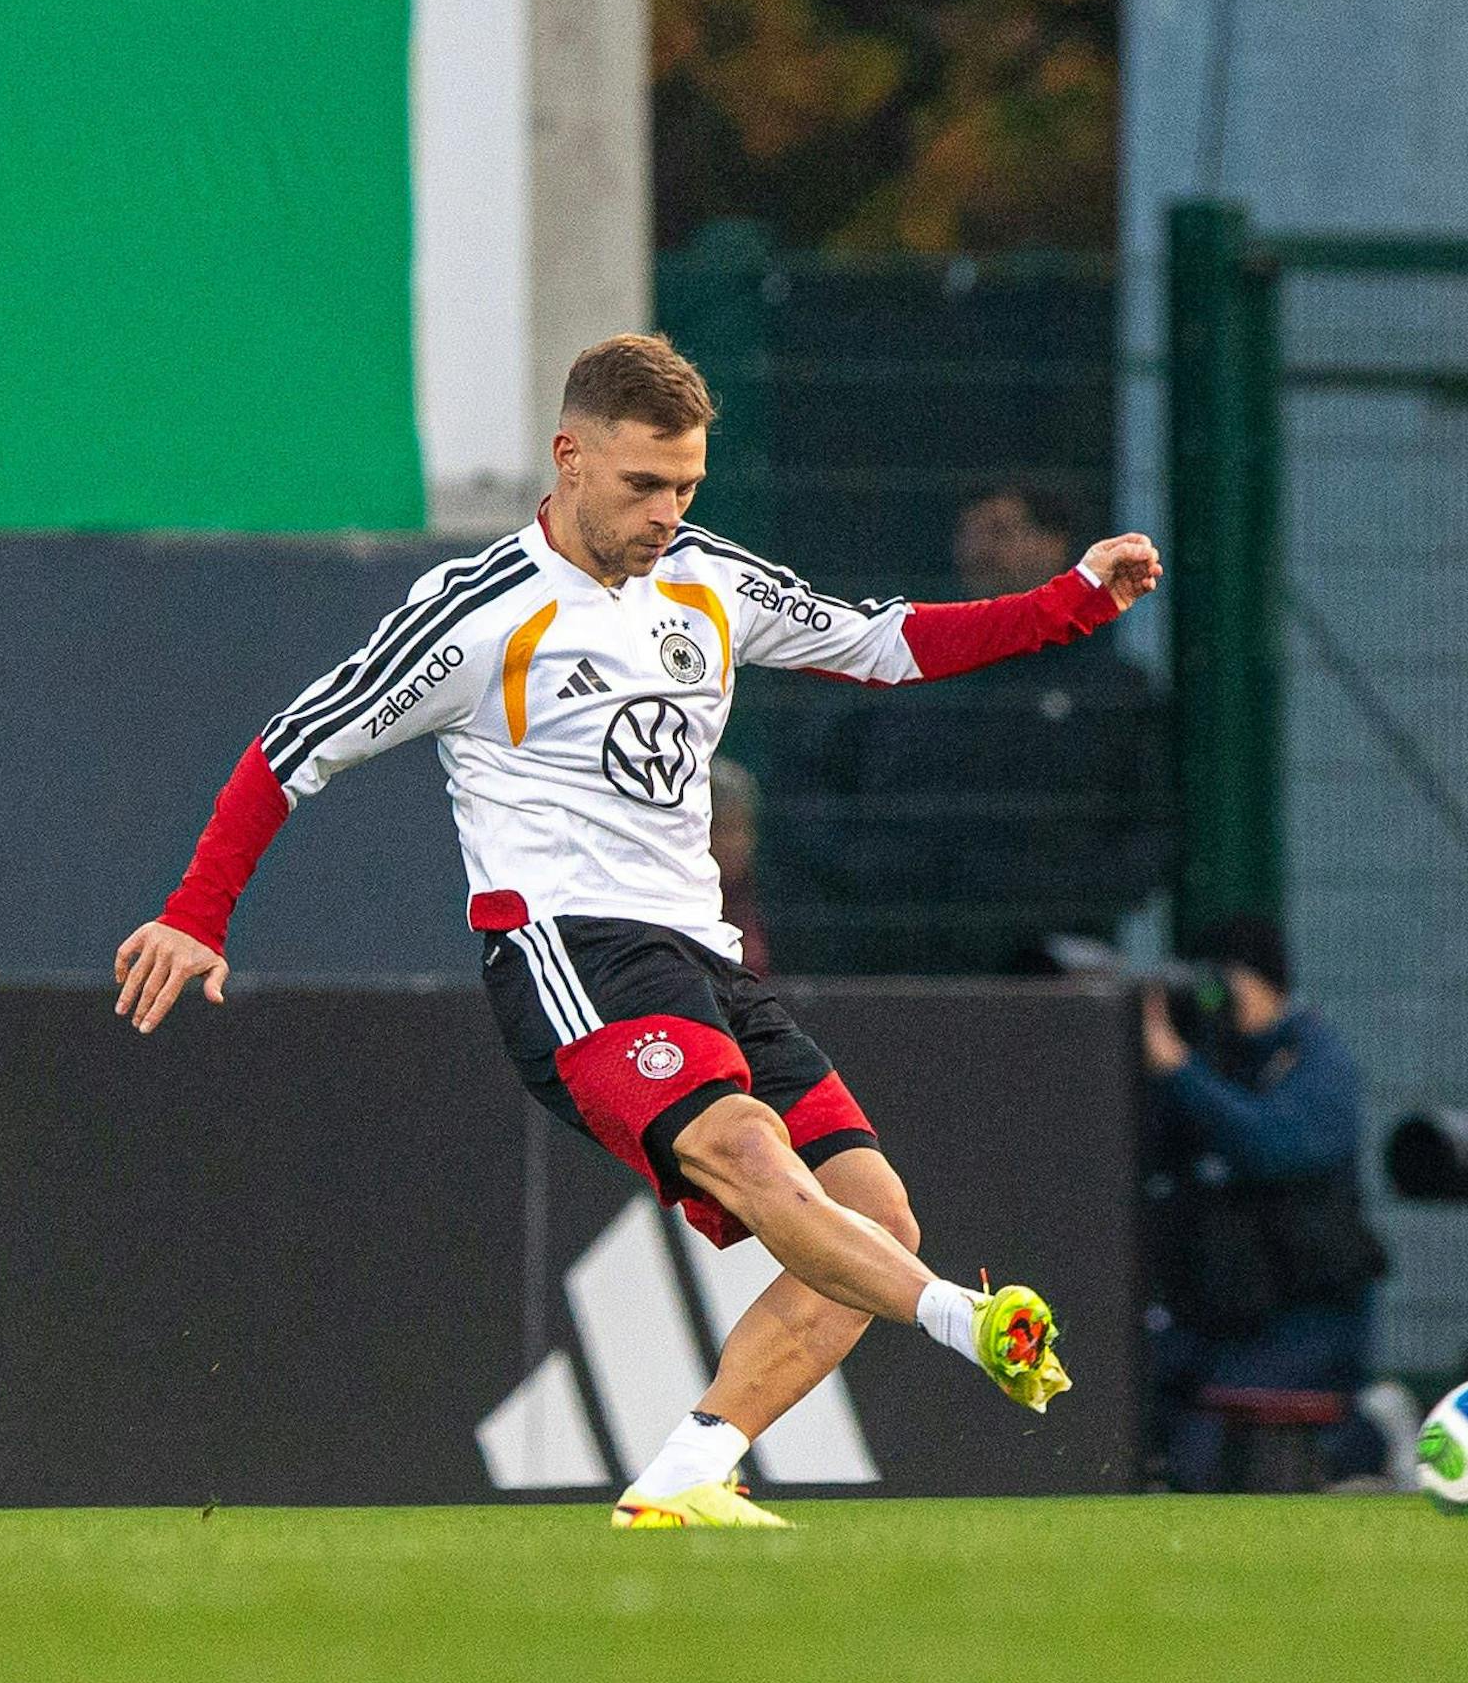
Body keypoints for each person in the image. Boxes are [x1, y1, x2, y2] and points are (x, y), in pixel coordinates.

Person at [114, 334, 1162, 1528]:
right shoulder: (476, 615)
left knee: (873, 1215)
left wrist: (1069, 602)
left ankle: (687, 1470)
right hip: (570, 950)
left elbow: (880, 643)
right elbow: (291, 749)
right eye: (641, 486)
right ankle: (965, 1323)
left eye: (686, 488)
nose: (667, 513)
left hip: (701, 957)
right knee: (749, 1152)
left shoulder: (703, 575)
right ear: (567, 459)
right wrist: (197, 914)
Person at [786, 482, 1166, 973]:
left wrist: (1069, 898)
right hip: (903, 953)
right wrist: (873, 873)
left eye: (1001, 531)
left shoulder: (1109, 687)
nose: (979, 549)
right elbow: (813, 787)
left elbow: (1153, 824)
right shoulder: (910, 664)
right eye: (967, 533)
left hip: (1054, 960)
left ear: (1056, 544)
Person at [1137, 915, 1398, 1491]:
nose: (1218, 1000)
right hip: (1211, 1314)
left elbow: (1272, 1148)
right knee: (1128, 1391)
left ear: (1266, 982)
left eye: (1227, 983)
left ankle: (1370, 1437)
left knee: (1207, 1456)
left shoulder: (1316, 1059)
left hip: (1303, 1319)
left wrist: (1180, 1071)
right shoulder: (1211, 1057)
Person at [709, 756, 769, 974]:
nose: (739, 843)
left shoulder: (765, 893)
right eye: (727, 829)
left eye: (745, 829)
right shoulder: (681, 904)